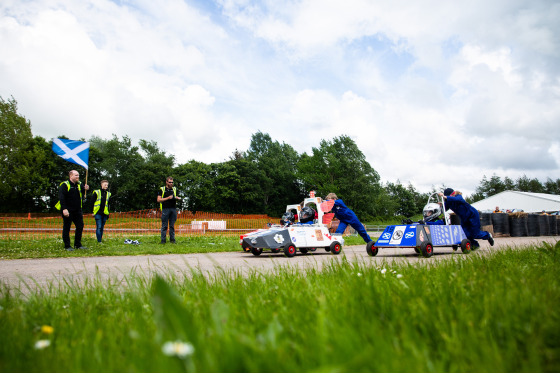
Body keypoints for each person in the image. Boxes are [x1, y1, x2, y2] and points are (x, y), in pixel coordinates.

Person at [57, 170, 89, 251]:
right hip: (68, 210)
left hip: (77, 210)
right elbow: (62, 198)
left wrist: (86, 189)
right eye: (76, 175)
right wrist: (64, 209)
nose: (78, 177)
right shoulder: (64, 185)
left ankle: (78, 245)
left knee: (80, 226)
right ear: (71, 176)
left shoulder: (79, 184)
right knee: (67, 227)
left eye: (78, 175)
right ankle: (67, 246)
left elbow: (83, 193)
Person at [157, 176, 181, 244]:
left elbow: (174, 196)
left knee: (172, 226)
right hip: (165, 209)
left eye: (172, 182)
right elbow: (158, 200)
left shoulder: (174, 189)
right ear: (166, 182)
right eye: (170, 182)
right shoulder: (162, 189)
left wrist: (177, 198)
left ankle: (172, 240)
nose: (171, 183)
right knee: (164, 226)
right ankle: (163, 241)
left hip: (173, 209)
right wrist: (167, 198)